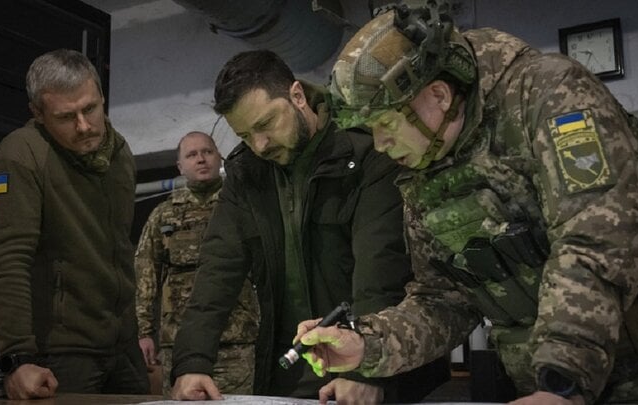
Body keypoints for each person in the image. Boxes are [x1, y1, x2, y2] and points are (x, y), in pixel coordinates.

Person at [294, 3, 638, 405]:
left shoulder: (549, 95)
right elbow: (444, 299)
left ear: (438, 95)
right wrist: (365, 345)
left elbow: (596, 239)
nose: (382, 146)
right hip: (543, 383)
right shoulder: (427, 162)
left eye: (387, 125)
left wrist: (563, 380)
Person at [170, 49, 450, 403]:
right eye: (244, 136)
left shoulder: (365, 151)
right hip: (291, 371)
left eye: (265, 124)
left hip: (382, 369)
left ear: (297, 96)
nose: (259, 145)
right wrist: (192, 361)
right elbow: (217, 269)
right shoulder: (247, 175)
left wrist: (364, 369)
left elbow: (380, 268)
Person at [0, 49, 149, 399]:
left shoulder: (121, 154)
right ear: (38, 114)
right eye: (66, 116)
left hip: (124, 347)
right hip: (62, 354)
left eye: (90, 109)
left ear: (102, 98)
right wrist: (16, 357)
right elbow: (7, 258)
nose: (84, 126)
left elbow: (120, 249)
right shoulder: (21, 153)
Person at [135, 131, 259, 397]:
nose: (201, 159)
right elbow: (146, 274)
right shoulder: (163, 215)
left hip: (236, 339)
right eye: (192, 155)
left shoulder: (243, 207)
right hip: (179, 341)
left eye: (207, 152)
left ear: (219, 157)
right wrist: (144, 331)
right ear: (180, 166)